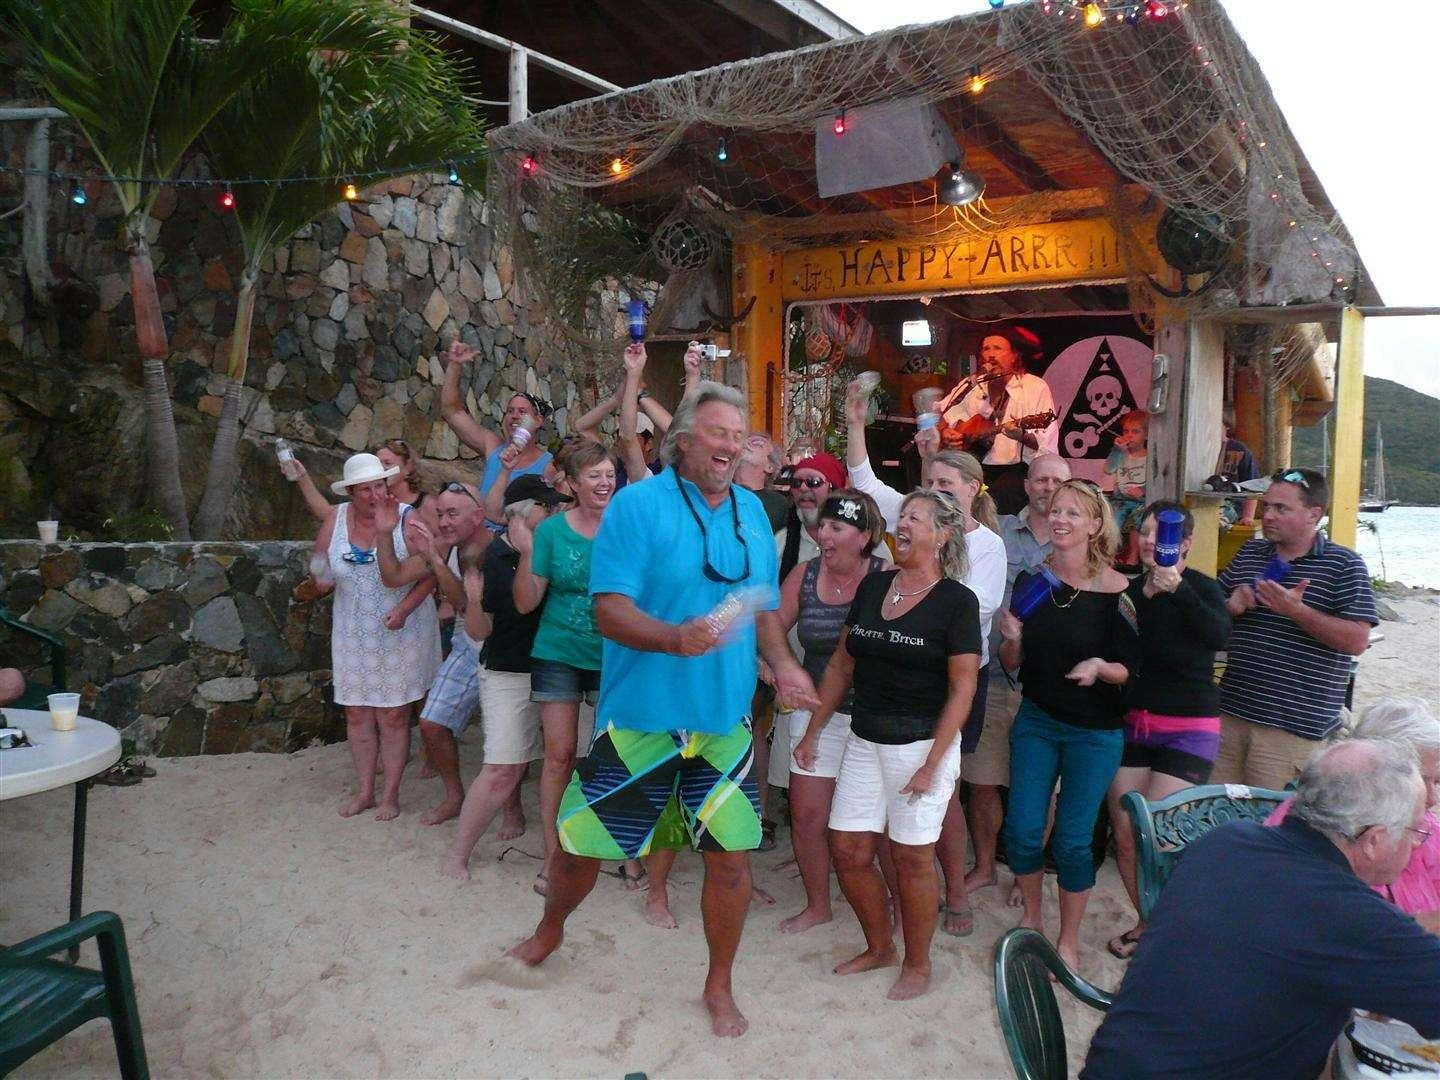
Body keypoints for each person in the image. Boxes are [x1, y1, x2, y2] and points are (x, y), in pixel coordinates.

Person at [507, 381, 819, 1039]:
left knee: (731, 859)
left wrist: (785, 668)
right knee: (581, 849)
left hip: (724, 723)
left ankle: (719, 985)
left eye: (738, 436)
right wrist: (675, 638)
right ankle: (549, 930)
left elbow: (757, 608)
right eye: (717, 433)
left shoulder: (753, 515)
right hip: (642, 718)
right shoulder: (636, 507)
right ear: (682, 440)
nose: (731, 447)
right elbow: (609, 611)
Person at [1081, 739, 1440, 1079]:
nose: (1415, 841)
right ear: (1374, 840)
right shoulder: (1349, 916)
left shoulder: (1227, 840)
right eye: (1415, 830)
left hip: (1113, 1065)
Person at [795, 489, 980, 1000]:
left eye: (915, 519)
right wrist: (813, 731)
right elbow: (841, 664)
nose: (902, 526)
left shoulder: (956, 602)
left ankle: (918, 965)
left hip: (920, 745)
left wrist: (935, 762)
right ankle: (880, 947)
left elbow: (964, 687)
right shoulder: (874, 587)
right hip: (863, 738)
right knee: (849, 849)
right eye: (901, 518)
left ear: (942, 535)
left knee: (911, 857)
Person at [841, 385, 1007, 935]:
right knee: (891, 799)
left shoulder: (987, 545)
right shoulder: (913, 520)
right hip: (892, 673)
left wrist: (917, 580)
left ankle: (954, 893)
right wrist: (854, 421)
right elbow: (864, 481)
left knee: (943, 791)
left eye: (944, 484)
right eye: (928, 483)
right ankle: (900, 896)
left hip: (953, 675)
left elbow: (972, 606)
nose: (933, 491)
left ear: (970, 490)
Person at [997, 478, 1138, 973]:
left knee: (1074, 841)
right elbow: (1012, 660)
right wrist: (1011, 638)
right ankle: (1034, 919)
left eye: (1074, 513)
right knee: (1021, 830)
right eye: (1056, 511)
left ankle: (1069, 940)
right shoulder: (1035, 581)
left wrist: (1101, 667)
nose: (1060, 520)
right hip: (1037, 719)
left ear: (1096, 525)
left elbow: (1131, 670)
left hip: (1094, 733)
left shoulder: (1119, 591)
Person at [1104, 501, 1231, 959]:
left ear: (1187, 544)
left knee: (1161, 832)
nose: (1152, 541)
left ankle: (1177, 927)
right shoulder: (1127, 592)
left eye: (1165, 533)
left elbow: (1219, 636)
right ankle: (1149, 923)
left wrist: (1177, 591)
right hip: (1134, 724)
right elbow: (1121, 655)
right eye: (1145, 532)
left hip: (1189, 727)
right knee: (1124, 830)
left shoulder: (1202, 587)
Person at [1213, 468, 1378, 790]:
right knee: (1211, 819)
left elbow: (1358, 640)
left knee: (1270, 829)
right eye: (1266, 506)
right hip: (1230, 715)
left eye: (1281, 508)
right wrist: (1230, 606)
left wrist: (1297, 611)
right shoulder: (1251, 552)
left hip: (1291, 729)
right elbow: (1208, 612)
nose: (1268, 516)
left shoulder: (1344, 565)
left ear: (1313, 514)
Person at [439, 476, 570, 880]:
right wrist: (474, 598)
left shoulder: (557, 547)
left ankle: (561, 852)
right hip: (508, 673)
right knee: (501, 769)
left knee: (564, 762)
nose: (555, 512)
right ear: (524, 512)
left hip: (557, 671)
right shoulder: (493, 557)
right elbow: (479, 632)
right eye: (547, 507)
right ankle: (458, 855)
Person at [511, 439, 624, 895]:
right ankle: (554, 857)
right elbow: (525, 603)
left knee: (611, 756)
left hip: (615, 652)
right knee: (558, 756)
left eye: (609, 474)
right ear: (573, 484)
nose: (604, 482)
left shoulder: (627, 526)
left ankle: (611, 850)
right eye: (594, 475)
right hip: (557, 650)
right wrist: (524, 553)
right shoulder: (552, 532)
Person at [774, 490, 889, 934]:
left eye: (837, 528)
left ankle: (886, 900)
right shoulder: (805, 574)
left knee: (869, 822)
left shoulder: (886, 575)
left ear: (863, 538)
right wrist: (776, 669)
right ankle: (818, 903)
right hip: (815, 706)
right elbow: (771, 626)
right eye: (823, 526)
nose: (824, 534)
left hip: (870, 715)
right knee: (806, 815)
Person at [961, 452, 1071, 898]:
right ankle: (985, 866)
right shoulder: (997, 532)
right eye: (1040, 480)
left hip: (1047, 686)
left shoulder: (1078, 539)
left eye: (1056, 482)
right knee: (982, 780)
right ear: (1026, 485)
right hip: (991, 677)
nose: (1047, 488)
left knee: (1038, 787)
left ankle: (1022, 874)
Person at [317, 453, 441, 820]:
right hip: (353, 630)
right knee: (356, 713)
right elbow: (320, 565)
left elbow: (433, 571)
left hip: (401, 627)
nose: (374, 495)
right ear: (351, 492)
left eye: (379, 486)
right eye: (365, 489)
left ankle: (390, 795)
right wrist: (318, 580)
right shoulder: (335, 519)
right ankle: (365, 790)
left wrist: (404, 609)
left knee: (393, 715)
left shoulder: (408, 518)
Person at [1265, 697, 1440, 934]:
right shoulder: (1318, 826)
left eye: (1437, 782)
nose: (1432, 798)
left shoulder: (1423, 822)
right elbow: (1351, 933)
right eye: (1421, 780)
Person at [934, 327, 1059, 514]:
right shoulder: (972, 385)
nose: (991, 355)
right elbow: (941, 413)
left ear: (1014, 356)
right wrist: (945, 432)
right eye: (986, 349)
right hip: (973, 465)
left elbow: (1046, 443)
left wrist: (1022, 436)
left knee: (996, 501)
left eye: (997, 349)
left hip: (1015, 470)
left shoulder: (1034, 387)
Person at [439, 339, 553, 526]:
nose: (514, 416)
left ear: (538, 421)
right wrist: (455, 365)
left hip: (512, 544)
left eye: (522, 412)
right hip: (478, 532)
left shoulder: (548, 465)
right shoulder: (493, 446)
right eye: (510, 411)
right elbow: (452, 412)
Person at [1102, 411, 1148, 566]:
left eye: (1135, 432)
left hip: (1140, 501)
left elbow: (1156, 480)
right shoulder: (1120, 454)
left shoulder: (1149, 457)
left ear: (1146, 435)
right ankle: (1107, 556)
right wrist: (1117, 450)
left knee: (1138, 520)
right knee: (1111, 521)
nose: (1129, 436)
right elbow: (1108, 469)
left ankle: (1133, 557)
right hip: (1120, 499)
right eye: (1126, 431)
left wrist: (1143, 490)